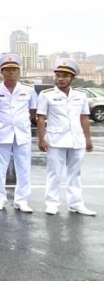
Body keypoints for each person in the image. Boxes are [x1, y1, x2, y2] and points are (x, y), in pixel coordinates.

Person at [37, 58, 96, 216]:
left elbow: (84, 118)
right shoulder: (46, 95)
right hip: (55, 140)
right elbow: (41, 118)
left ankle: (76, 203)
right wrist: (41, 139)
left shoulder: (80, 95)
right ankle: (52, 203)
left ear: (72, 78)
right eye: (58, 75)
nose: (60, 79)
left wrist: (88, 139)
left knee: (75, 173)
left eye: (64, 76)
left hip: (76, 139)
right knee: (54, 172)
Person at [0, 54, 37, 213]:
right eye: (7, 70)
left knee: (23, 167)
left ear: (19, 72)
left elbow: (33, 111)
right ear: (1, 72)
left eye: (14, 69)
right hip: (1, 132)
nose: (11, 73)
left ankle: (22, 200)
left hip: (22, 132)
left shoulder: (28, 90)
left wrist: (21, 121)